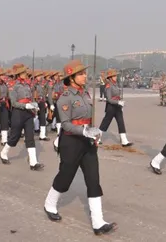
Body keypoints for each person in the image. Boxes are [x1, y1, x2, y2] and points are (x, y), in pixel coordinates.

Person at [43, 60, 117, 236]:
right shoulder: (65, 97)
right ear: (72, 78)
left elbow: (88, 119)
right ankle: (50, 204)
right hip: (71, 142)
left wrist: (93, 132)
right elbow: (66, 125)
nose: (85, 76)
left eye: (84, 73)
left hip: (87, 141)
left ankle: (98, 222)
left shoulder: (85, 94)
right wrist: (84, 131)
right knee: (65, 177)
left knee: (93, 179)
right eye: (81, 73)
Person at [0, 64, 44, 170]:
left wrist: (34, 105)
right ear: (19, 74)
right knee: (15, 136)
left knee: (30, 136)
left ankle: (33, 162)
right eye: (24, 72)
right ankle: (3, 153)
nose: (26, 74)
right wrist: (25, 105)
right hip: (18, 113)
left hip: (28, 113)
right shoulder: (13, 85)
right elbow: (13, 103)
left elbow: (30, 98)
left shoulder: (28, 85)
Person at [98, 68, 133, 146]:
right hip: (111, 107)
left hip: (117, 106)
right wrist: (118, 102)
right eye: (114, 76)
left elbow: (118, 95)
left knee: (121, 122)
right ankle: (97, 138)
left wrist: (121, 102)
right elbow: (109, 99)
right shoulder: (108, 86)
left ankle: (124, 140)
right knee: (105, 123)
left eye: (115, 76)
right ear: (110, 77)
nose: (115, 77)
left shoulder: (116, 85)